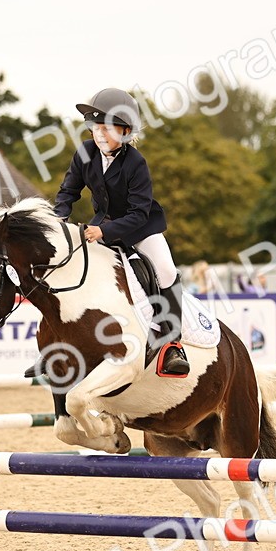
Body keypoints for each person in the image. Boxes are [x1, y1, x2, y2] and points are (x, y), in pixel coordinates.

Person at [50, 87, 190, 377]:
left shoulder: (136, 163)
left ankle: (173, 345)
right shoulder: (85, 154)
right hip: (101, 225)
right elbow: (68, 192)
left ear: (125, 131)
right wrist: (58, 217)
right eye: (96, 127)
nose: (99, 134)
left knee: (165, 269)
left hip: (141, 228)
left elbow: (138, 213)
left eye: (107, 128)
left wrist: (103, 231)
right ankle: (63, 344)